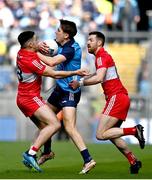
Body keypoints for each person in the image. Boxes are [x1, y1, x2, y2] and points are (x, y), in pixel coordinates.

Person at [69, 31, 145, 174]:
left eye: (91, 40)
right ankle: (133, 161)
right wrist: (84, 77)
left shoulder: (101, 56)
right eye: (87, 40)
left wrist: (80, 83)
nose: (88, 42)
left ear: (99, 43)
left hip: (116, 97)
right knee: (111, 135)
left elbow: (99, 78)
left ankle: (134, 130)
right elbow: (100, 76)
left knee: (100, 134)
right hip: (120, 97)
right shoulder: (102, 57)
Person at [16, 30, 89, 172]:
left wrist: (38, 48)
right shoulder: (30, 60)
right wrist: (75, 72)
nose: (39, 42)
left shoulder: (21, 53)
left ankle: (46, 152)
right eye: (36, 40)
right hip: (30, 98)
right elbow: (53, 73)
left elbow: (34, 51)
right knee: (55, 124)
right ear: (30, 44)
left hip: (22, 98)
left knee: (45, 127)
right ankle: (30, 153)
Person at [37, 19, 96, 174]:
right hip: (59, 90)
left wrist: (33, 52)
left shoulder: (70, 49)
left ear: (66, 35)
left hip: (70, 91)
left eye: (59, 30)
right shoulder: (62, 44)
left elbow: (51, 62)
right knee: (45, 120)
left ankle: (88, 160)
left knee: (69, 127)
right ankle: (47, 152)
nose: (56, 32)